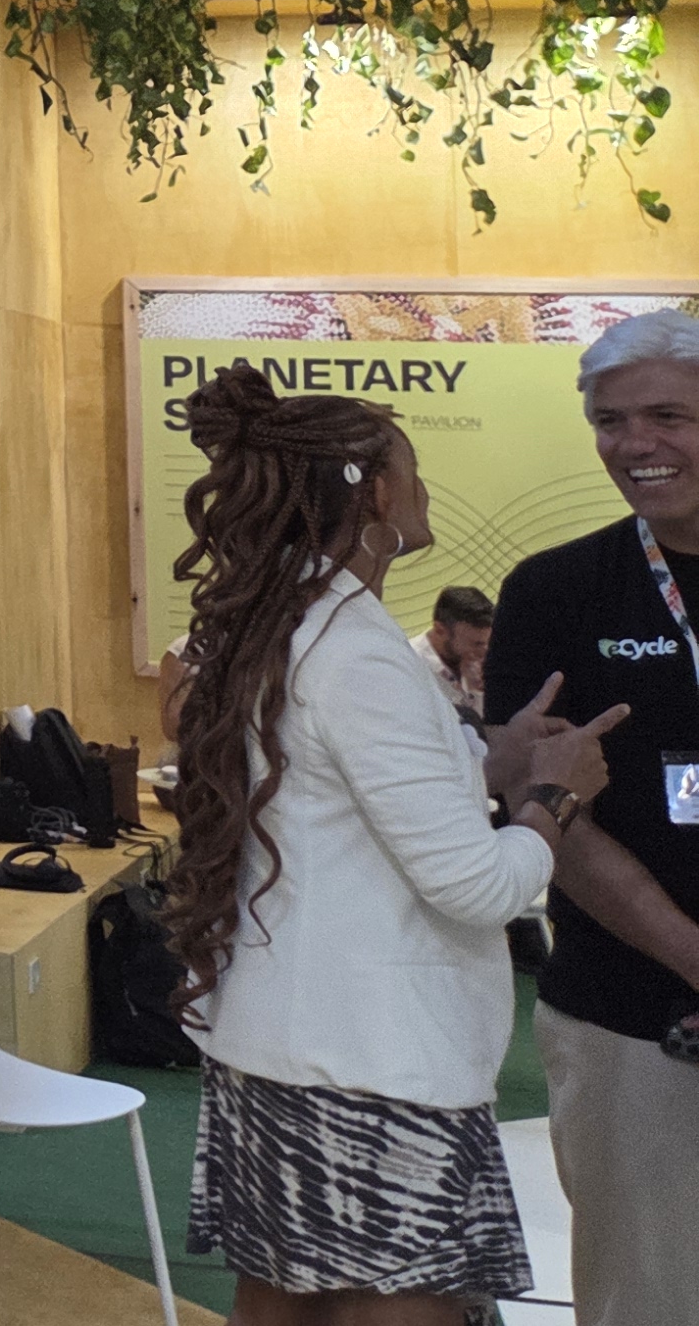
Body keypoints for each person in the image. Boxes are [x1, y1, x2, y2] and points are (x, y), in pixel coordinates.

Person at [158, 366, 621, 1326]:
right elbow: (476, 885)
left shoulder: (279, 620)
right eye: (412, 467)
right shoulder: (362, 650)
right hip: (375, 1062)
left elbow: (328, 803)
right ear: (371, 491)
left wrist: (483, 764)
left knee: (279, 1301)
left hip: (282, 1042)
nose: (423, 488)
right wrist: (553, 800)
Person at [483, 311, 699, 1326]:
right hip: (630, 1023)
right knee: (646, 1297)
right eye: (611, 420)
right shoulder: (554, 592)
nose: (636, 443)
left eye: (667, 413)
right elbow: (551, 814)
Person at [412, 585, 494, 725]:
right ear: (440, 630)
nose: (484, 652)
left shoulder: (479, 663)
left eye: (488, 641)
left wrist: (477, 692)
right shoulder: (409, 665)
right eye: (476, 644)